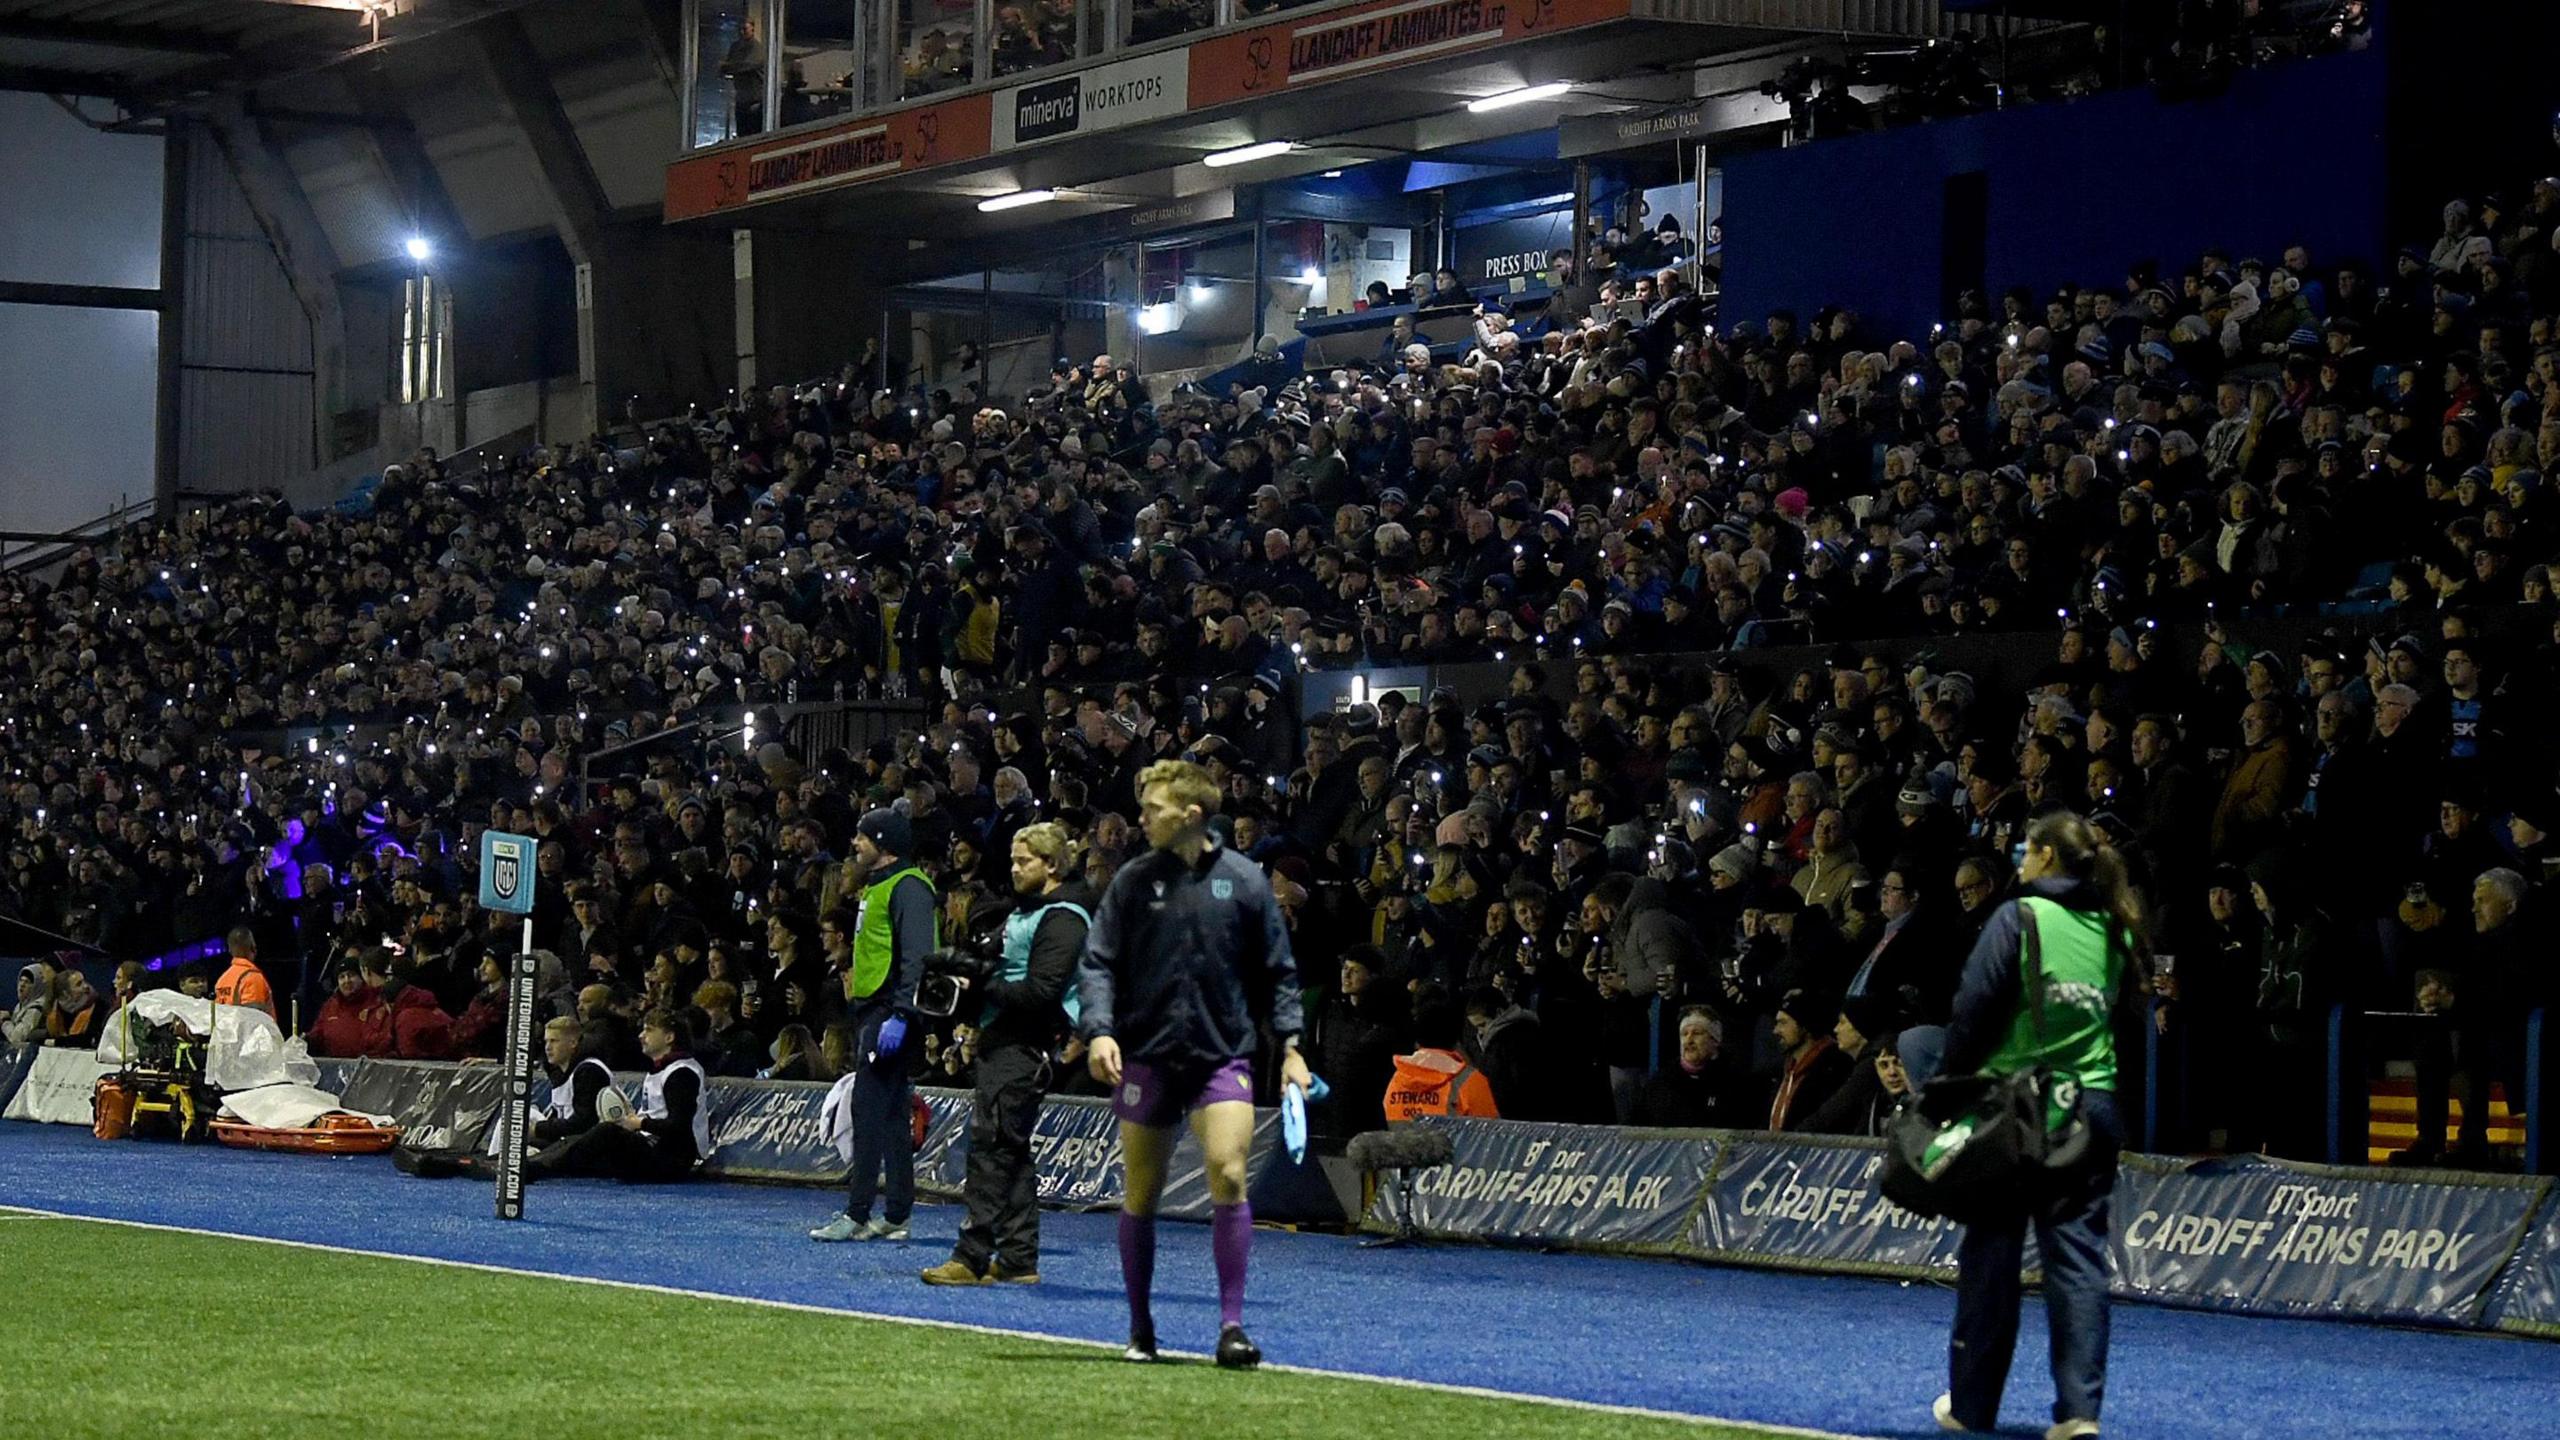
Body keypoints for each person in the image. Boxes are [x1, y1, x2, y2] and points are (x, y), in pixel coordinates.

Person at [1077, 759, 1308, 1369]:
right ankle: (1140, 1326)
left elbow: (1279, 972)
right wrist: (1099, 1031)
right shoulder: (1131, 881)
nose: (1142, 818)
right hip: (1147, 1058)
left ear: (1192, 814)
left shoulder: (1246, 881)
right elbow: (1097, 963)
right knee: (1142, 1194)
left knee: (1229, 1174)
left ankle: (1231, 1326)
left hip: (1221, 1054)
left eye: (1152, 808)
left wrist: (1290, 1046)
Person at [1932, 809, 2142, 1440]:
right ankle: (2080, 1414)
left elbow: (1973, 1010)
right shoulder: (2115, 928)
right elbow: (2126, 1024)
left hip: (2017, 1109)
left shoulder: (2017, 918)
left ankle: (1972, 1409)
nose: (2019, 856)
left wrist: (1946, 1089)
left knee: (1992, 1255)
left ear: (2047, 857)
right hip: (2094, 1107)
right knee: (2078, 1261)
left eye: (2027, 847)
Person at [921, 822, 1090, 1287]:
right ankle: (1017, 1259)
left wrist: (976, 978)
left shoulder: (1064, 917)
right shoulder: (1030, 912)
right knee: (1010, 1154)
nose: (1014, 869)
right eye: (1014, 860)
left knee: (991, 1151)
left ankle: (970, 1256)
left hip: (1025, 1044)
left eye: (1024, 862)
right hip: (1007, 1042)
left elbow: (1040, 992)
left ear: (1051, 864)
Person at [811, 808, 937, 1243]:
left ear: (883, 843)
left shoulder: (909, 888)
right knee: (888, 1115)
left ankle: (858, 1213)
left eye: (863, 838)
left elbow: (919, 957)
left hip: (890, 1012)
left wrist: (902, 1014)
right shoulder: (881, 886)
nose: (855, 844)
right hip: (876, 1010)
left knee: (867, 1110)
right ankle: (897, 1214)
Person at [524, 1010, 708, 1183]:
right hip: (654, 1146)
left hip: (673, 1159)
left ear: (669, 1037)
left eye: (649, 1030)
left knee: (607, 1131)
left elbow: (679, 1126)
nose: (641, 1036)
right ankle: (523, 1163)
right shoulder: (662, 1070)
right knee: (580, 1139)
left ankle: (536, 1168)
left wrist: (638, 1124)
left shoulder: (681, 1073)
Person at [1382, 999, 1498, 1122]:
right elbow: (1490, 1135)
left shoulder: (1397, 1080)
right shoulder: (1470, 1081)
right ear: (1456, 1039)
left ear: (1417, 1040)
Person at [1631, 1006, 1739, 1126]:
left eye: (1697, 1033)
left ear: (1715, 1040)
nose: (1689, 1040)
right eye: (1684, 1034)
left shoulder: (1734, 1084)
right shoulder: (1660, 1084)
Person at [215, 925, 275, 1020]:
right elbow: (255, 1018)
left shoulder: (222, 980)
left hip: (226, 1033)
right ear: (253, 947)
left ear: (230, 950)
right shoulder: (253, 976)